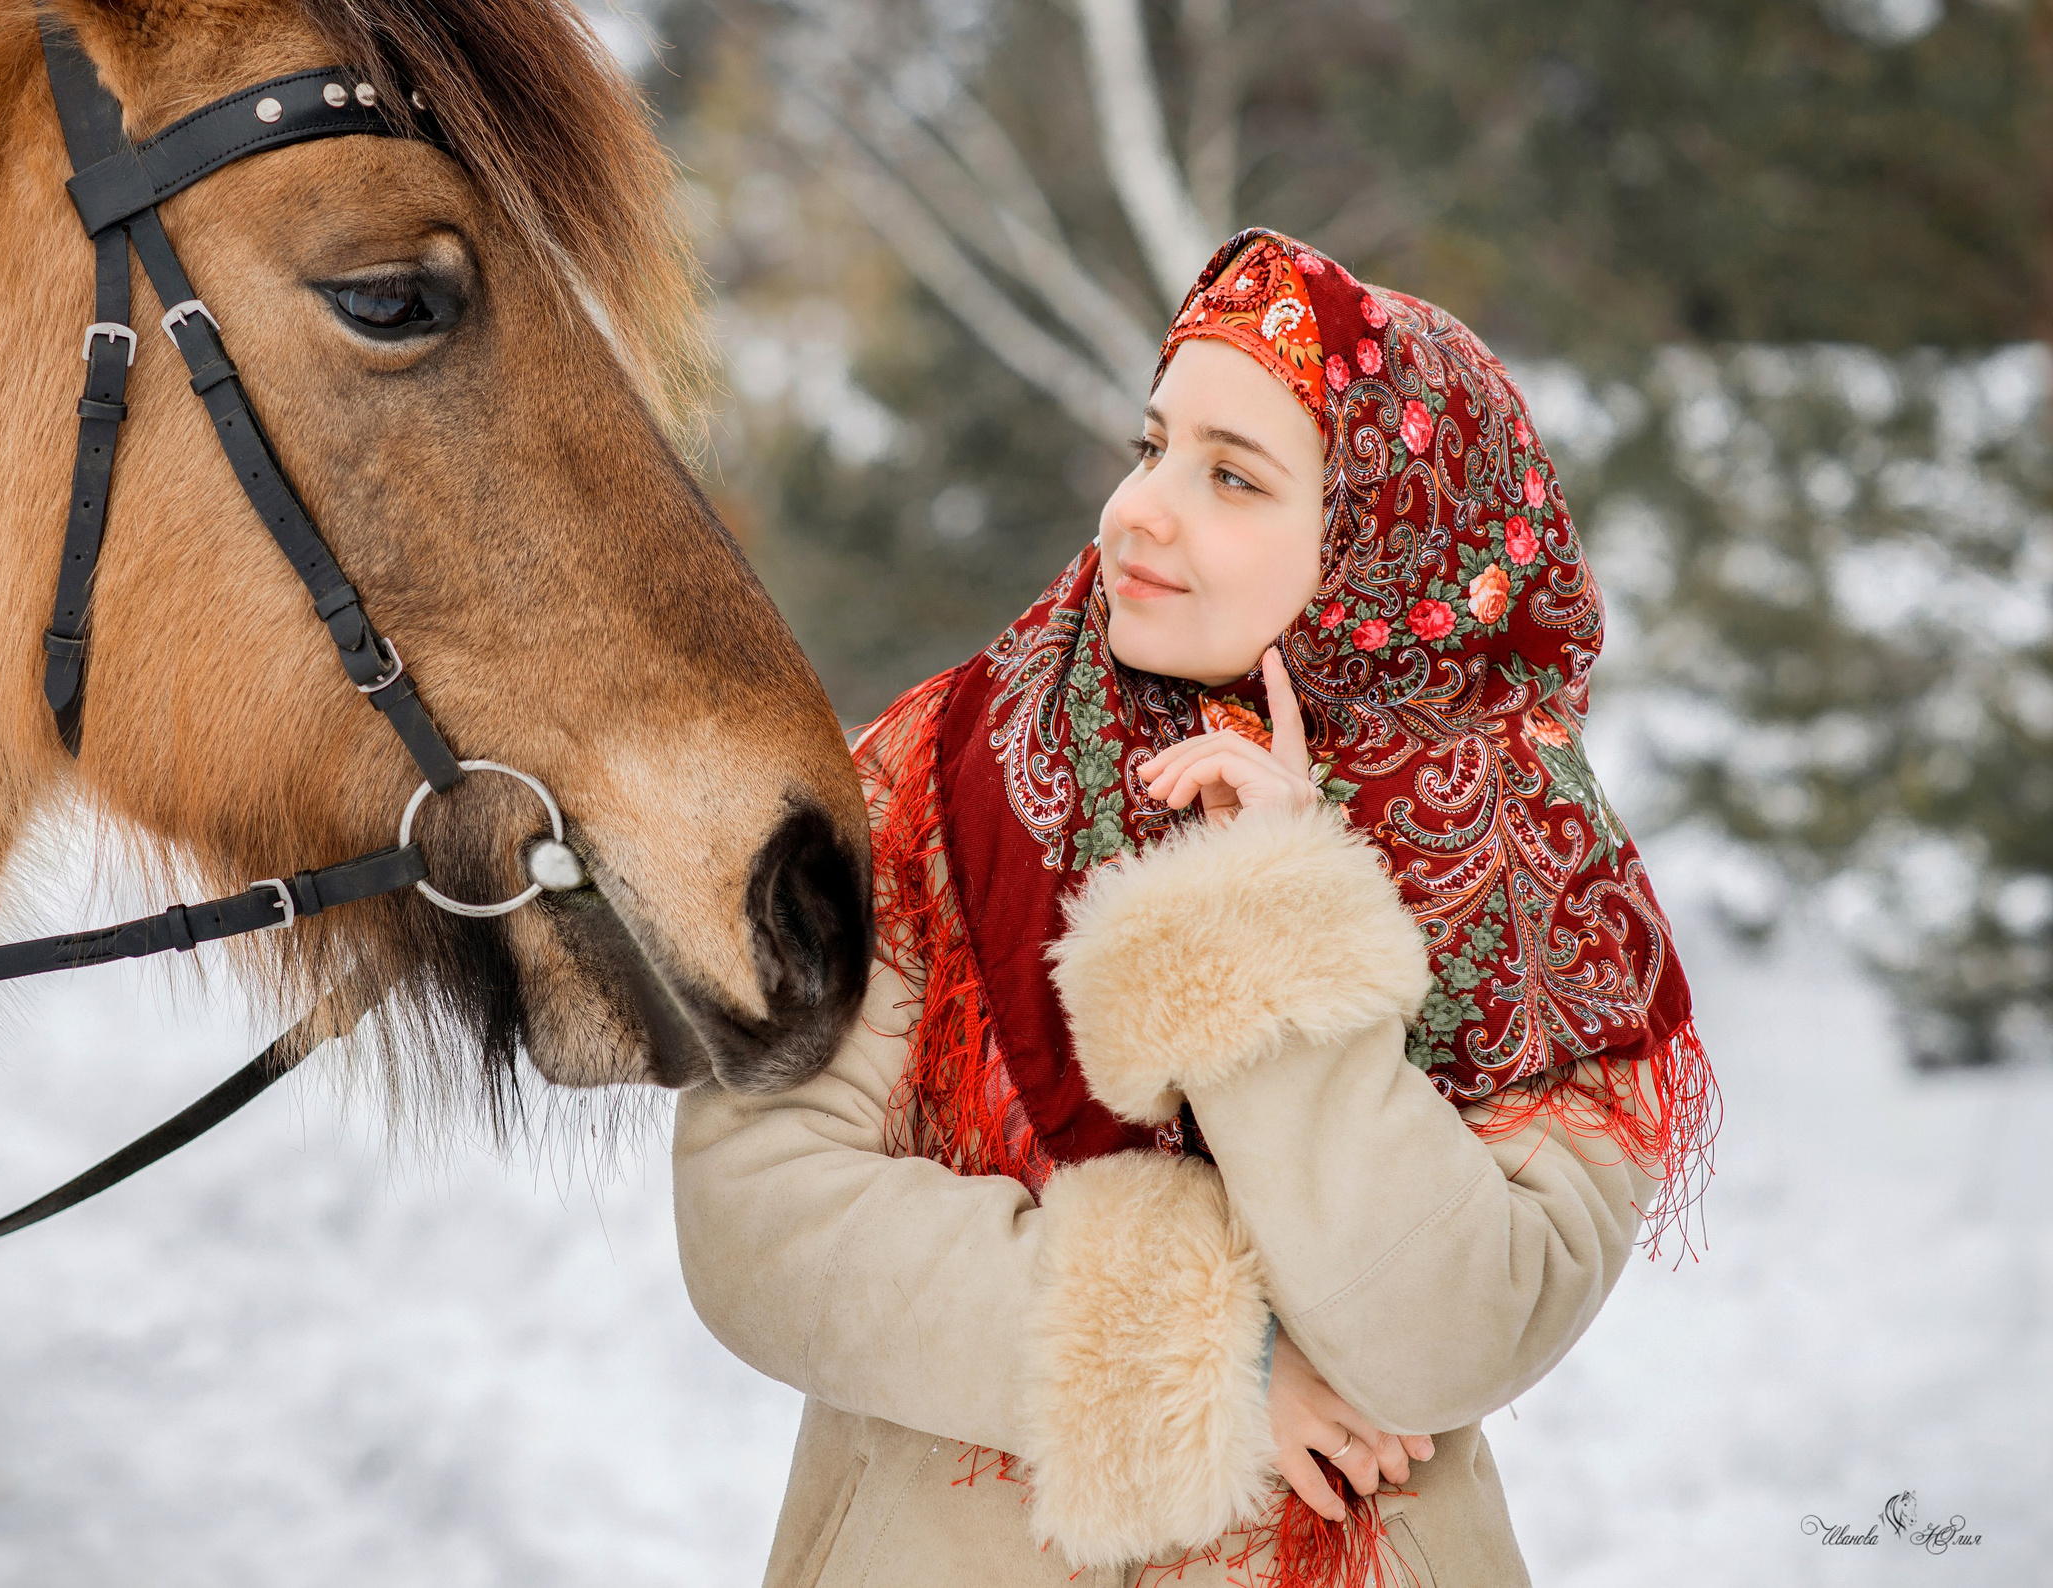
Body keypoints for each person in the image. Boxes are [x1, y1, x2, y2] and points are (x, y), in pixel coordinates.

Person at [671, 227, 1722, 1588]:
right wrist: (1202, 1359)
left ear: (1380, 548)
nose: (1137, 512)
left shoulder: (1534, 881)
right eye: (1149, 446)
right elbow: (757, 1221)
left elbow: (1452, 1336)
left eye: (1231, 476)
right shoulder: (943, 772)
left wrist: (1277, 921)